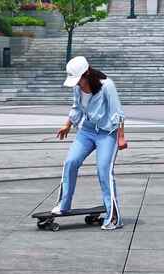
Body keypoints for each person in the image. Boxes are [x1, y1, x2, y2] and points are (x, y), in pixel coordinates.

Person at [52, 56, 125, 231]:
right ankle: (64, 205)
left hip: (107, 133)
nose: (77, 84)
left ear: (87, 73)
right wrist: (67, 125)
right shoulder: (78, 88)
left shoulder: (107, 85)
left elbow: (117, 112)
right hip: (87, 131)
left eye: (79, 80)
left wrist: (121, 136)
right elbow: (76, 108)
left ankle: (113, 216)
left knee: (103, 171)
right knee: (70, 162)